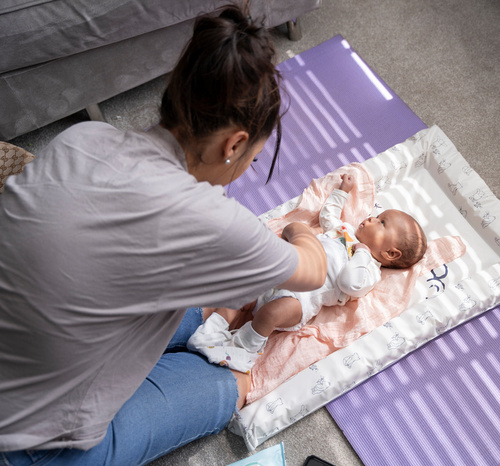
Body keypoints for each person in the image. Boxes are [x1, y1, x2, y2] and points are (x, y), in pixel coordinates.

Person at [0, 5, 327, 465]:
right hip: (29, 446)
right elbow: (313, 273)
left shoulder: (84, 139)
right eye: (251, 158)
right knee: (232, 384)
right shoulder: (209, 221)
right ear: (233, 144)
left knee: (211, 308)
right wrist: (300, 229)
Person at [187, 173, 428, 373]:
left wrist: (363, 252)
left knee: (271, 313)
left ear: (391, 254)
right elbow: (328, 216)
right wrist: (342, 192)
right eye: (377, 215)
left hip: (301, 300)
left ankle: (241, 350)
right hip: (284, 272)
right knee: (242, 291)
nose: (371, 218)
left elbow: (348, 283)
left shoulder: (369, 273)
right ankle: (211, 333)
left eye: (381, 222)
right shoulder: (344, 231)